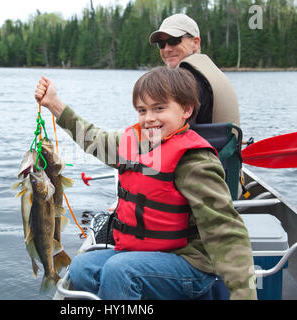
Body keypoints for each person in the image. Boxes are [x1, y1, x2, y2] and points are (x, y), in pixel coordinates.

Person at [34, 67, 257, 300]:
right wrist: (54, 104)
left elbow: (226, 231)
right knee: (82, 268)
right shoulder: (137, 141)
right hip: (147, 254)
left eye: (159, 108)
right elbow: (94, 139)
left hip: (191, 267)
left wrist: (244, 294)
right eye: (142, 110)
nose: (149, 118)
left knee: (120, 271)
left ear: (186, 109)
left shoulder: (194, 161)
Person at [149, 13, 240, 126]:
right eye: (161, 44)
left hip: (205, 143)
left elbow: (175, 132)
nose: (167, 49)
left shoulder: (187, 77)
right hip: (224, 142)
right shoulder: (206, 70)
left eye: (174, 41)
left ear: (195, 43)